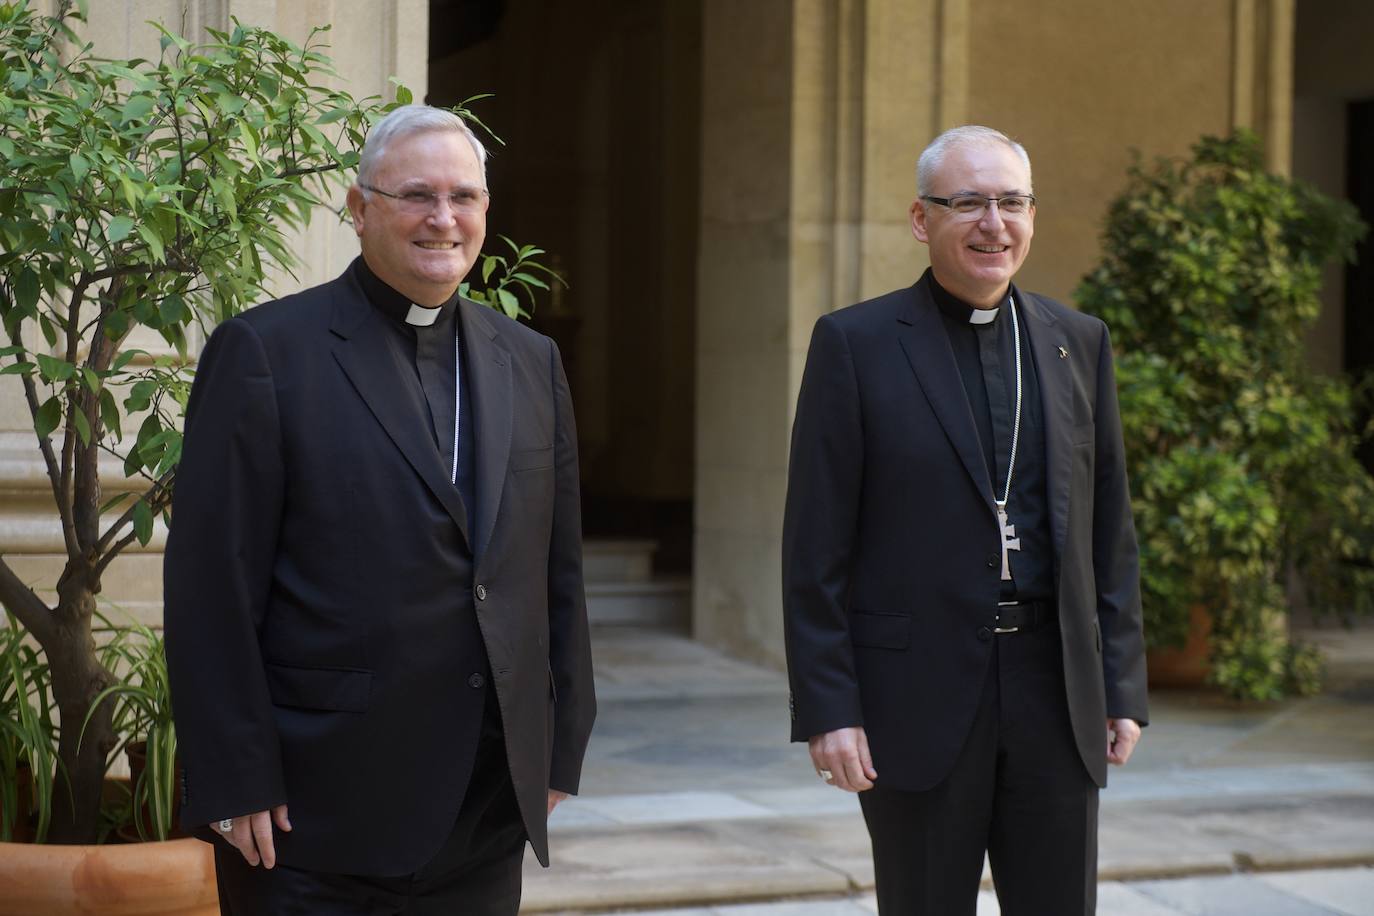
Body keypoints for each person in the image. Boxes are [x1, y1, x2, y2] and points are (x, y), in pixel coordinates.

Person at [164, 104, 596, 915]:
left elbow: (554, 571)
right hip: (315, 818)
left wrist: (558, 746)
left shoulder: (530, 361)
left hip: (483, 812)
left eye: (464, 197)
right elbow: (209, 588)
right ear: (360, 208)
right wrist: (233, 775)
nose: (444, 219)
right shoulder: (264, 354)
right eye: (416, 196)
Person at [782, 125, 1148, 915]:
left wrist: (1122, 684)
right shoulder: (856, 344)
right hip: (914, 695)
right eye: (969, 203)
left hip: (1056, 691)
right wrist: (828, 708)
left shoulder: (1076, 341)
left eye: (1012, 202)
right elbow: (815, 548)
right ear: (922, 219)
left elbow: (1108, 527)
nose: (994, 223)